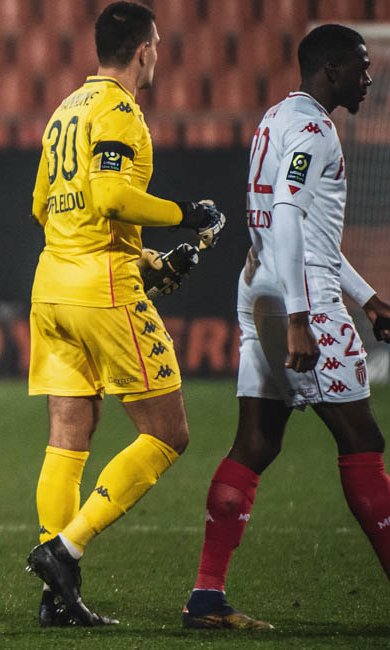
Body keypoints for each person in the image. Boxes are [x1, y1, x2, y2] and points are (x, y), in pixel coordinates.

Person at [23, 1, 227, 627]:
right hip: (101, 290)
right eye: (157, 45)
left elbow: (44, 206)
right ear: (144, 50)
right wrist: (186, 215)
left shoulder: (65, 110)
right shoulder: (118, 110)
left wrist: (145, 258)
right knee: (168, 433)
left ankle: (58, 598)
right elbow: (111, 196)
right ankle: (66, 548)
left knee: (67, 438)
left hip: (52, 285)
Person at [182, 24, 390, 630]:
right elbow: (289, 215)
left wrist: (368, 298)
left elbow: (303, 229)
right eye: (361, 66)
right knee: (363, 441)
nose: (369, 77)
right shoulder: (314, 131)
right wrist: (301, 318)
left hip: (261, 285)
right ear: (331, 70)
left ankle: (207, 596)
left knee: (256, 442)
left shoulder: (277, 118)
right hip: (302, 299)